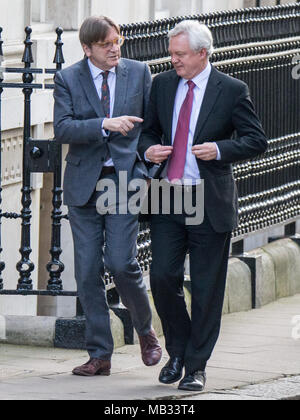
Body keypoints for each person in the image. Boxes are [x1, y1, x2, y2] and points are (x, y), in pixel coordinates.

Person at [138, 20, 268, 391]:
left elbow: (256, 140)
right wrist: (148, 148)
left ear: (202, 54)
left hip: (209, 198)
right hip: (168, 194)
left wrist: (220, 150)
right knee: (163, 277)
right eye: (172, 53)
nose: (173, 60)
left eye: (180, 54)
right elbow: (148, 130)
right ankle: (177, 350)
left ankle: (196, 366)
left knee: (208, 287)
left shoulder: (231, 90)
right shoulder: (163, 84)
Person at [53, 15, 162, 377]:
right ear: (87, 48)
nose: (115, 48)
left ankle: (145, 330)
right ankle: (100, 354)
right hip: (84, 183)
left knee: (120, 262)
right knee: (86, 272)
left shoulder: (138, 72)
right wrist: (104, 124)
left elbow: (152, 129)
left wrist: (145, 169)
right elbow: (63, 128)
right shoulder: (68, 78)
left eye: (118, 40)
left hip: (124, 181)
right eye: (106, 44)